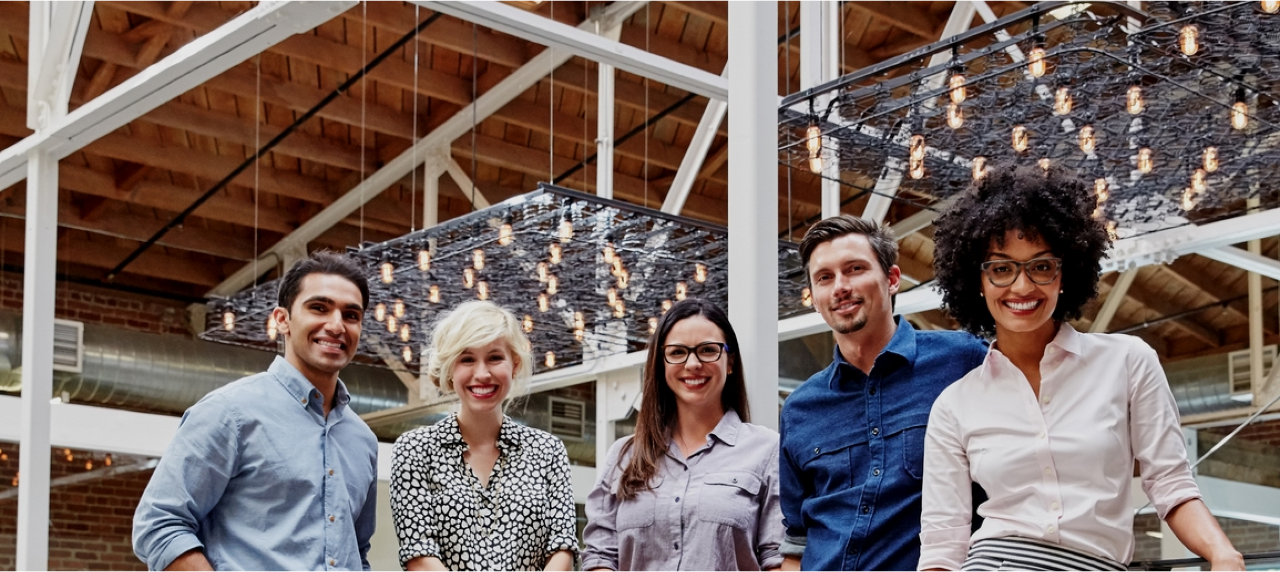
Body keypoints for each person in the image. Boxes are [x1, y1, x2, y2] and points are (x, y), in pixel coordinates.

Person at [920, 165, 1244, 571]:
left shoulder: (1127, 362)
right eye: (1001, 268)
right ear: (977, 281)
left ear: (1065, 273)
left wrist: (1222, 553)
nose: (1021, 287)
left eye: (1040, 266)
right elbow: (943, 542)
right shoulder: (955, 405)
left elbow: (1170, 484)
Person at [133, 251, 379, 571]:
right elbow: (160, 525)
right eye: (319, 308)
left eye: (351, 315)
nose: (336, 325)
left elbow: (357, 552)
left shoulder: (362, 440)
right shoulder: (229, 413)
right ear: (282, 319)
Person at [779, 214, 988, 571]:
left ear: (892, 279)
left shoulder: (962, 361)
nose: (840, 287)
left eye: (855, 269)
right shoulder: (800, 410)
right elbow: (797, 541)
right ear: (814, 297)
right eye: (824, 278)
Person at [582, 298, 782, 571]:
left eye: (708, 350)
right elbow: (599, 557)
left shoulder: (767, 450)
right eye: (677, 352)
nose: (693, 364)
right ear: (660, 363)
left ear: (730, 361)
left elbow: (777, 558)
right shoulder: (623, 456)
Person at [389, 300, 577, 571]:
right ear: (450, 369)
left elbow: (562, 547)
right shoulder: (415, 450)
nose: (482, 373)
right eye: (467, 359)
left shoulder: (548, 451)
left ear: (513, 363)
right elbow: (418, 554)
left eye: (494, 357)